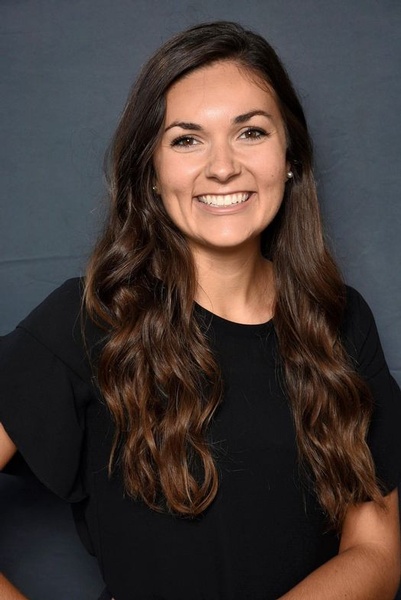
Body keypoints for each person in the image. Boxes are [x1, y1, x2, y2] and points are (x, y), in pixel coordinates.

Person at [0, 20, 401, 600]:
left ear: (290, 156)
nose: (222, 167)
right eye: (186, 140)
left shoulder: (341, 319)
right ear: (151, 173)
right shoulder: (91, 318)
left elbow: (377, 553)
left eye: (251, 132)